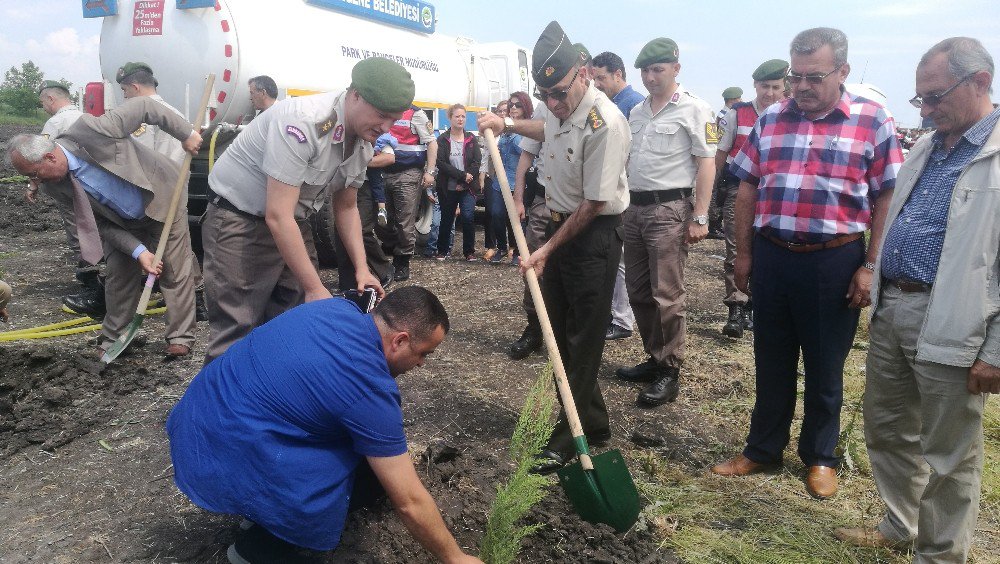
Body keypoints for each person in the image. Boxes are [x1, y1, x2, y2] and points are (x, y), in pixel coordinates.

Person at [710, 27, 904, 500]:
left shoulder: (872, 120)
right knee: (771, 358)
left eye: (813, 77)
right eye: (795, 76)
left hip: (834, 260)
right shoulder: (771, 118)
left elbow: (887, 197)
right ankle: (762, 450)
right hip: (774, 255)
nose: (800, 87)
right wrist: (744, 254)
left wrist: (870, 266)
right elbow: (748, 187)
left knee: (824, 365)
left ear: (843, 71)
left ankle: (820, 457)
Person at [833, 38, 1000, 561]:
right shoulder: (929, 145)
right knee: (886, 427)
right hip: (895, 309)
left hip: (954, 318)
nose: (924, 110)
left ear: (980, 82)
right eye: (919, 100)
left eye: (933, 97)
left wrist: (995, 349)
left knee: (950, 453)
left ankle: (942, 553)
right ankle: (900, 522)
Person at [167, 286, 482, 564]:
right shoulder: (369, 387)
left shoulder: (336, 307)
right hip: (221, 455)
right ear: (399, 340)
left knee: (326, 434)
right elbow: (409, 501)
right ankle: (258, 550)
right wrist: (455, 557)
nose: (422, 365)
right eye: (423, 353)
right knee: (368, 476)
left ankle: (256, 513)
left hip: (196, 428)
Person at [479, 21, 630, 473]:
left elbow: (595, 203)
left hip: (593, 233)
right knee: (561, 330)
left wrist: (545, 249)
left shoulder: (606, 123)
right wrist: (505, 122)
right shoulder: (557, 109)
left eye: (561, 93)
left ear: (583, 73)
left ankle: (569, 436)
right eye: (546, 95)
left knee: (583, 335)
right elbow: (543, 127)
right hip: (564, 227)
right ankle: (595, 421)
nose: (554, 104)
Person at [202, 58, 408, 363]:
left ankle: (276, 402)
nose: (386, 128)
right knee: (238, 330)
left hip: (291, 224)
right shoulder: (303, 121)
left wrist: (362, 269)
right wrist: (314, 287)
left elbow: (347, 206)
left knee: (296, 324)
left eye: (393, 120)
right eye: (381, 115)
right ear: (355, 95)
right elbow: (277, 214)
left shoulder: (363, 144)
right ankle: (218, 407)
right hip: (240, 222)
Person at [6, 98, 204, 358]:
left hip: (161, 198)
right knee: (118, 277)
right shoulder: (54, 186)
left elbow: (146, 106)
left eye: (35, 173)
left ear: (50, 156)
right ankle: (114, 337)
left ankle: (180, 337)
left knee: (175, 270)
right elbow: (96, 224)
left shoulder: (91, 129)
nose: (35, 182)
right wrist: (139, 251)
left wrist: (186, 134)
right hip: (119, 222)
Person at [615, 38, 718, 406]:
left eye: (657, 69)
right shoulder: (637, 112)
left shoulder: (696, 109)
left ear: (676, 68)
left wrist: (700, 215)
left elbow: (707, 161)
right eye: (645, 70)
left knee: (667, 295)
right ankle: (654, 357)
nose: (650, 76)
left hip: (669, 209)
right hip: (635, 209)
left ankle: (670, 369)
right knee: (639, 292)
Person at [117, 62, 209, 325]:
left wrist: (159, 197)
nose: (123, 95)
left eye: (124, 90)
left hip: (161, 194)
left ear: (135, 87)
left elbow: (169, 162)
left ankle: (196, 298)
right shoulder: (139, 115)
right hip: (143, 195)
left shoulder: (163, 115)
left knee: (174, 251)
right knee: (160, 250)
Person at [713, 59, 788, 339]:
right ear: (754, 86)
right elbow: (720, 154)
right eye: (764, 86)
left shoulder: (790, 115)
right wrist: (711, 196)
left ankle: (757, 306)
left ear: (784, 88)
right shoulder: (737, 114)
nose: (769, 93)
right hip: (739, 188)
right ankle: (736, 307)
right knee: (736, 247)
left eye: (776, 87)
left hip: (775, 193)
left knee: (767, 249)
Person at [31, 81, 97, 317]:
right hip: (93, 187)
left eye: (43, 102)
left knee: (77, 231)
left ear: (50, 99)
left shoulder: (55, 123)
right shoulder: (87, 118)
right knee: (97, 230)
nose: (44, 107)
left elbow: (39, 157)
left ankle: (92, 282)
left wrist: (33, 183)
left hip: (67, 188)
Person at [591, 51, 643, 341]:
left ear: (618, 74)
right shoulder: (610, 104)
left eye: (601, 78)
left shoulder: (632, 106)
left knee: (622, 258)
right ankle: (616, 313)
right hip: (614, 188)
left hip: (627, 190)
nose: (597, 84)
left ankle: (622, 319)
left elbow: (631, 154)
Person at [506, 100, 551, 360]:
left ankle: (565, 332)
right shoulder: (544, 110)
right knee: (532, 265)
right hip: (545, 200)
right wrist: (518, 198)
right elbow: (527, 154)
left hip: (581, 204)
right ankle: (534, 330)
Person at [383, 103, 438, 281]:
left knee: (404, 220)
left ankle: (402, 262)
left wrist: (429, 172)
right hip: (383, 172)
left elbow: (431, 143)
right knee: (384, 219)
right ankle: (390, 252)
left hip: (408, 173)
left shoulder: (416, 114)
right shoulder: (383, 109)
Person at [485, 92, 531, 264]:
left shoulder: (527, 130)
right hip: (500, 181)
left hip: (517, 181)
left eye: (517, 105)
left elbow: (528, 154)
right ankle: (502, 247)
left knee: (517, 218)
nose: (513, 108)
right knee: (496, 214)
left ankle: (518, 252)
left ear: (525, 107)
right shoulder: (505, 131)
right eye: (511, 105)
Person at [434, 104, 481, 261]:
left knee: (468, 216)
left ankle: (469, 252)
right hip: (448, 186)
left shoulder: (471, 138)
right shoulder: (442, 139)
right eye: (457, 116)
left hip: (468, 186)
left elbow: (477, 161)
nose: (460, 119)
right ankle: (442, 250)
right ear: (450, 118)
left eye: (463, 116)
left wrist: (469, 176)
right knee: (447, 218)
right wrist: (462, 175)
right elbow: (441, 163)